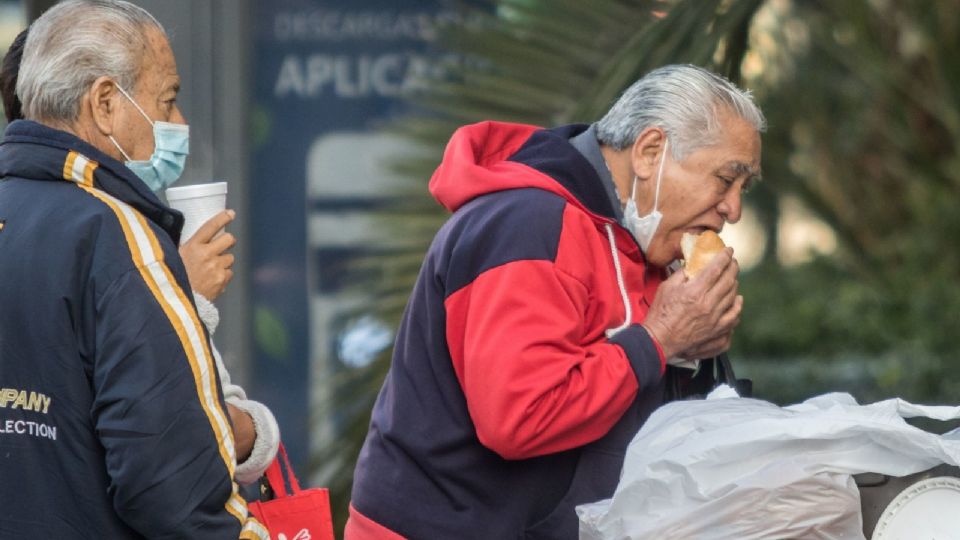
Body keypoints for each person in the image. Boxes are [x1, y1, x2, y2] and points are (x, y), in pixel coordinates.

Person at [347, 64, 765, 539]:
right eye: (725, 180)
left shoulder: (639, 237)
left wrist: (692, 346)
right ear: (650, 152)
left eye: (743, 188)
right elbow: (520, 418)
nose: (734, 208)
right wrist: (660, 339)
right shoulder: (528, 223)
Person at [0, 1, 271, 537]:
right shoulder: (117, 237)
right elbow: (172, 488)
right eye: (168, 101)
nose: (179, 123)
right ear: (105, 103)